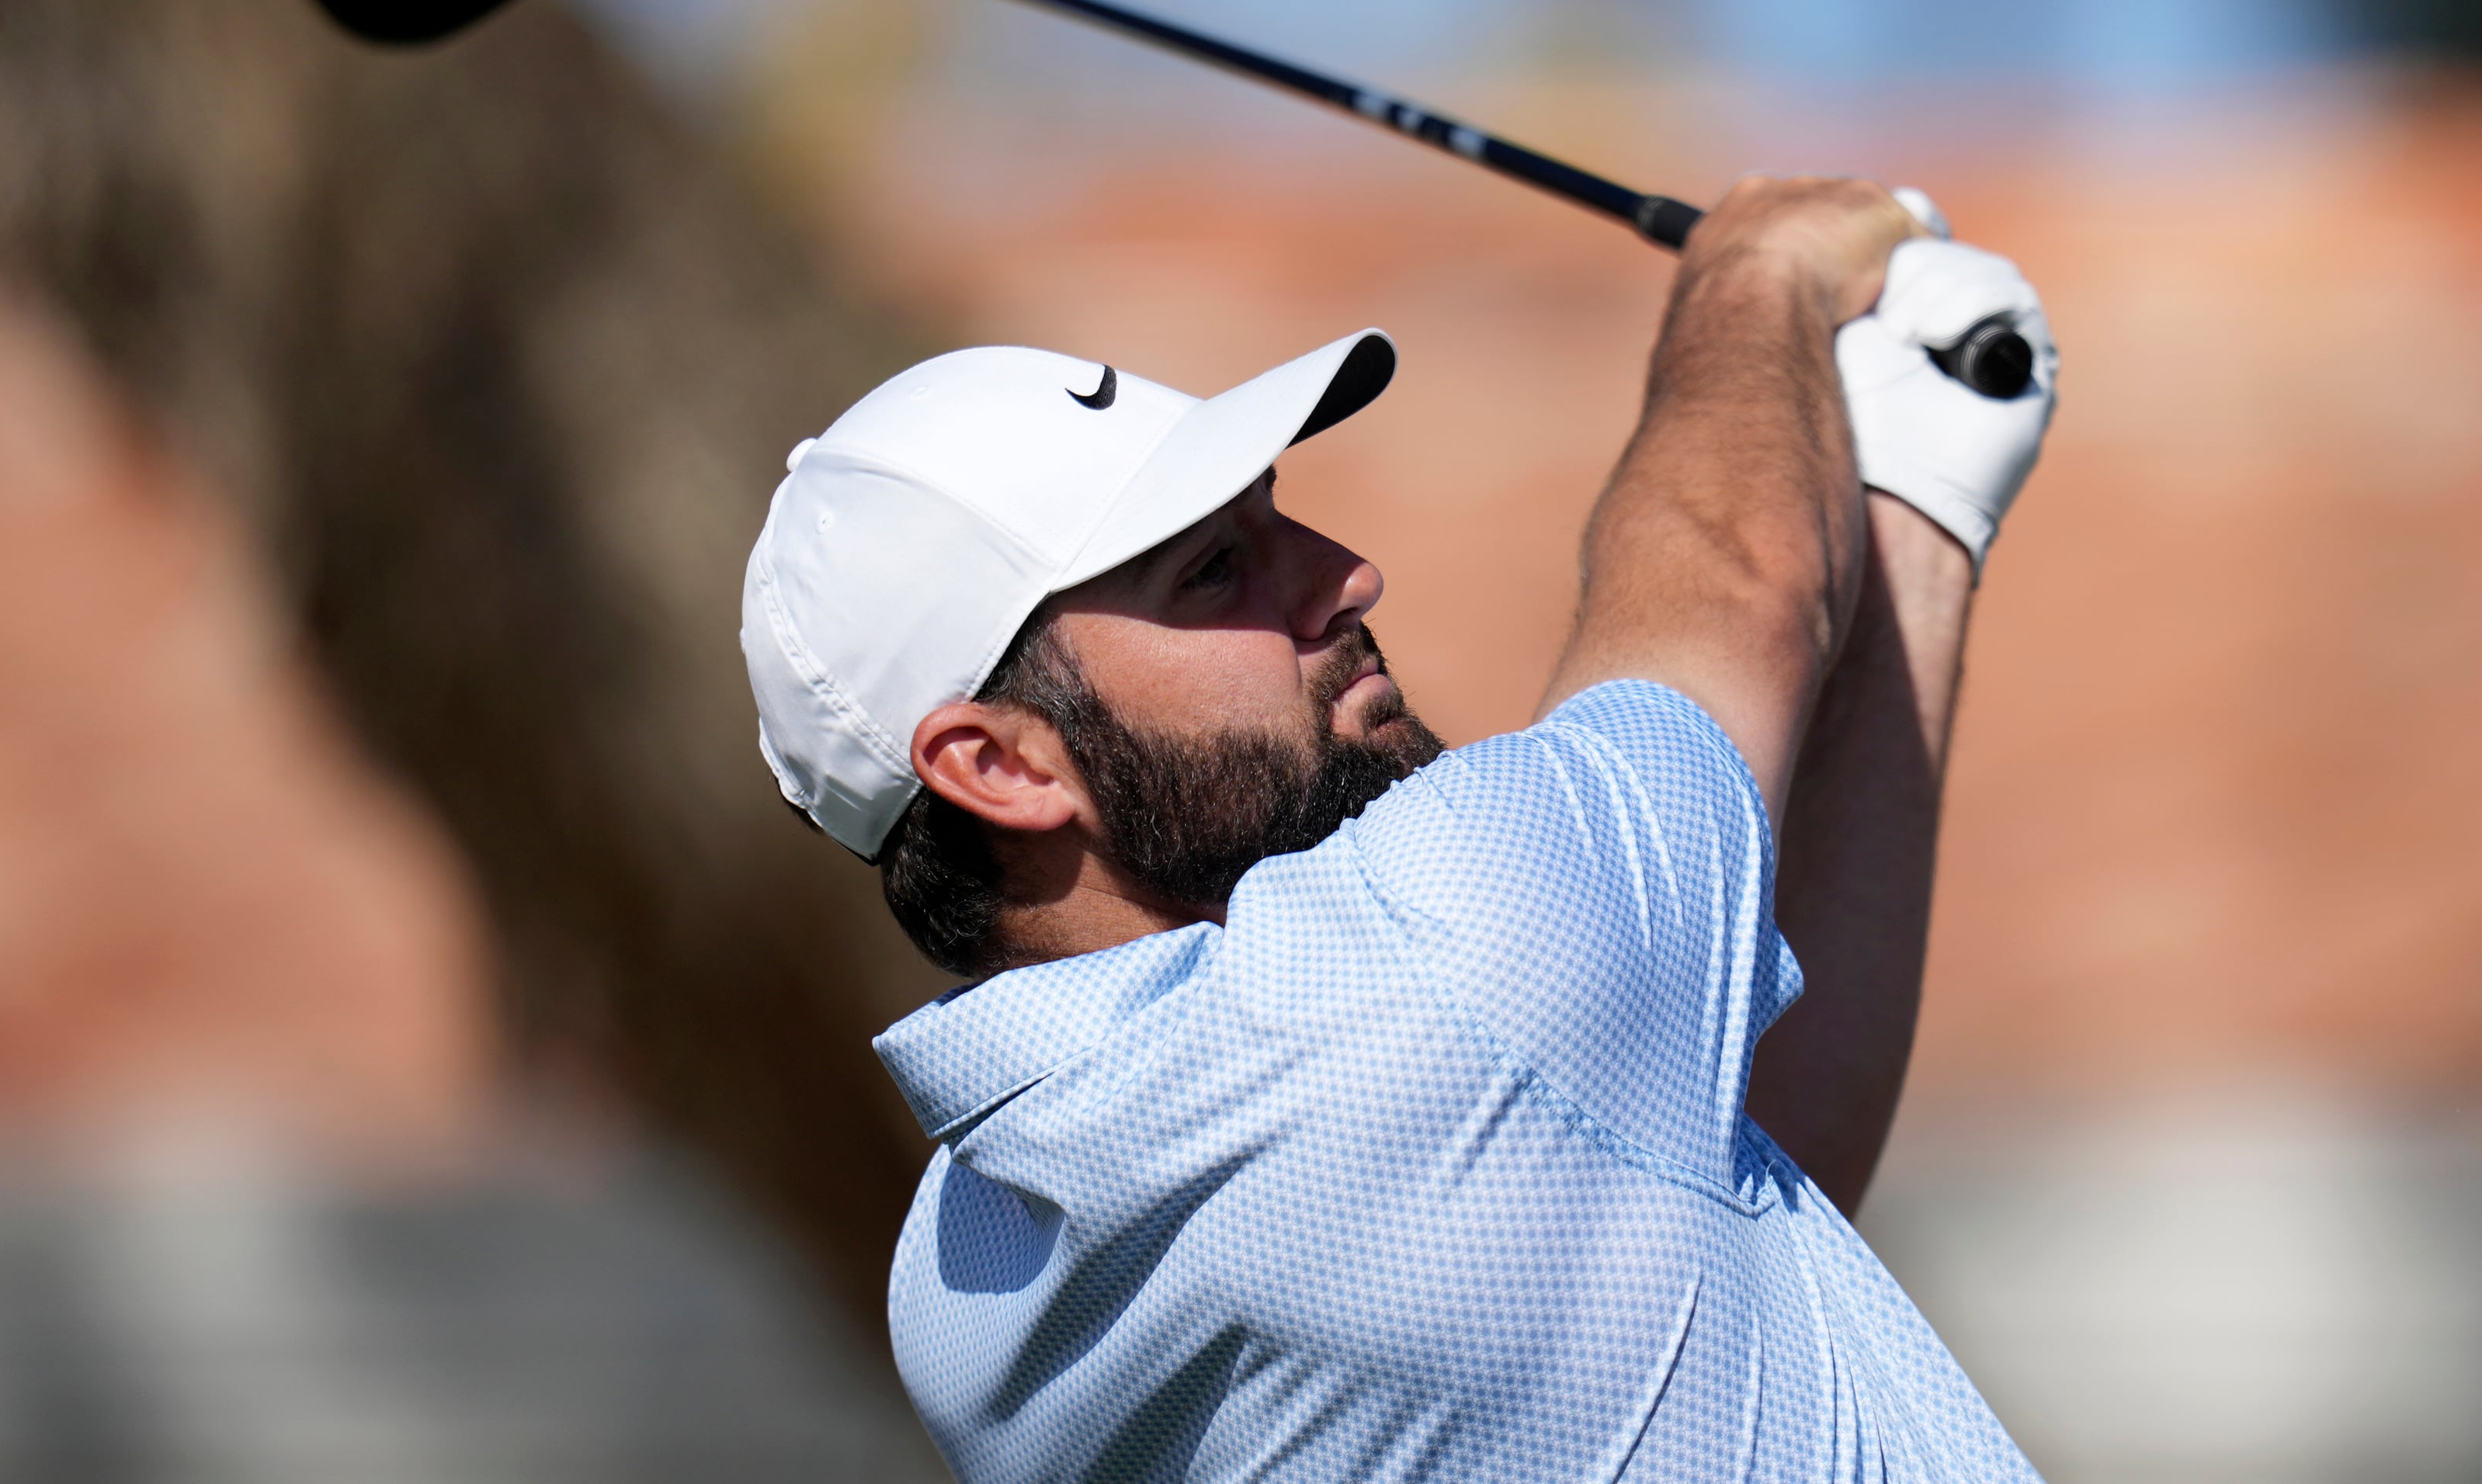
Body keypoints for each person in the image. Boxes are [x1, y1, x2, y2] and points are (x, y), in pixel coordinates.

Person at [741, 177, 2059, 1481]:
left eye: (1273, 518)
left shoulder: (962, 1290)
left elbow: (1686, 1167)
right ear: (999, 766)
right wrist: (1761, 276)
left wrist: (1921, 510)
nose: (1345, 574)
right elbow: (1733, 573)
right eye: (1211, 570)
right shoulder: (1424, 980)